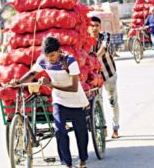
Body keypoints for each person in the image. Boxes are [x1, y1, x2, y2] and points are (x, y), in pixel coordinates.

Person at [13, 37, 89, 168]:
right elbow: (32, 73)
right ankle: (67, 163)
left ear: (59, 51)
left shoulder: (70, 61)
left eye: (53, 55)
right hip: (59, 101)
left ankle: (83, 160)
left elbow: (74, 87)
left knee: (81, 133)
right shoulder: (42, 60)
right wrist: (18, 82)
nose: (50, 59)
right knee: (59, 131)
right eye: (47, 56)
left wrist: (50, 85)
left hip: (76, 101)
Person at [88, 16, 120, 139]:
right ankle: (103, 127)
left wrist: (93, 57)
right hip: (95, 77)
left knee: (113, 101)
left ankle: (115, 127)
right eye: (92, 25)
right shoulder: (86, 40)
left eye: (96, 25)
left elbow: (104, 48)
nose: (94, 28)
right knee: (98, 102)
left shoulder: (105, 36)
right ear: (88, 27)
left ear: (100, 27)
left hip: (109, 74)